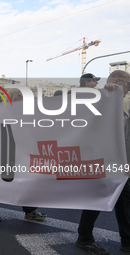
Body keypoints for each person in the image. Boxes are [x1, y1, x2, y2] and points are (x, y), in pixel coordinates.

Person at [76, 70, 130, 255]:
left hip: (118, 164)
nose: (129, 90)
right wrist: (106, 91)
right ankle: (84, 238)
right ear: (116, 81)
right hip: (101, 162)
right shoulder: (102, 99)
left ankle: (127, 241)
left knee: (125, 202)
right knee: (96, 200)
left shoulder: (119, 106)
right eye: (128, 85)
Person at [0, 87, 47, 222]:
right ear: (11, 97)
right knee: (2, 181)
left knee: (27, 181)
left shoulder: (26, 110)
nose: (23, 98)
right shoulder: (0, 110)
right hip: (5, 151)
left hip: (23, 151)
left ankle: (30, 210)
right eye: (20, 96)